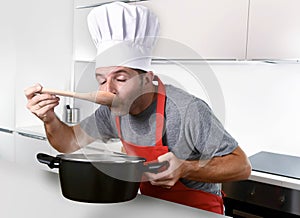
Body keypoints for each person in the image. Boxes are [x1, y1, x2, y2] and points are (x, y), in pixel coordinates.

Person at [25, 2, 251, 215]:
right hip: (150, 208)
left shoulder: (187, 110)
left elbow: (242, 166)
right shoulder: (112, 111)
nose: (108, 89)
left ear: (146, 80)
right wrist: (49, 119)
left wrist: (186, 168)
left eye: (120, 78)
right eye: (101, 79)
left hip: (197, 212)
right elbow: (69, 142)